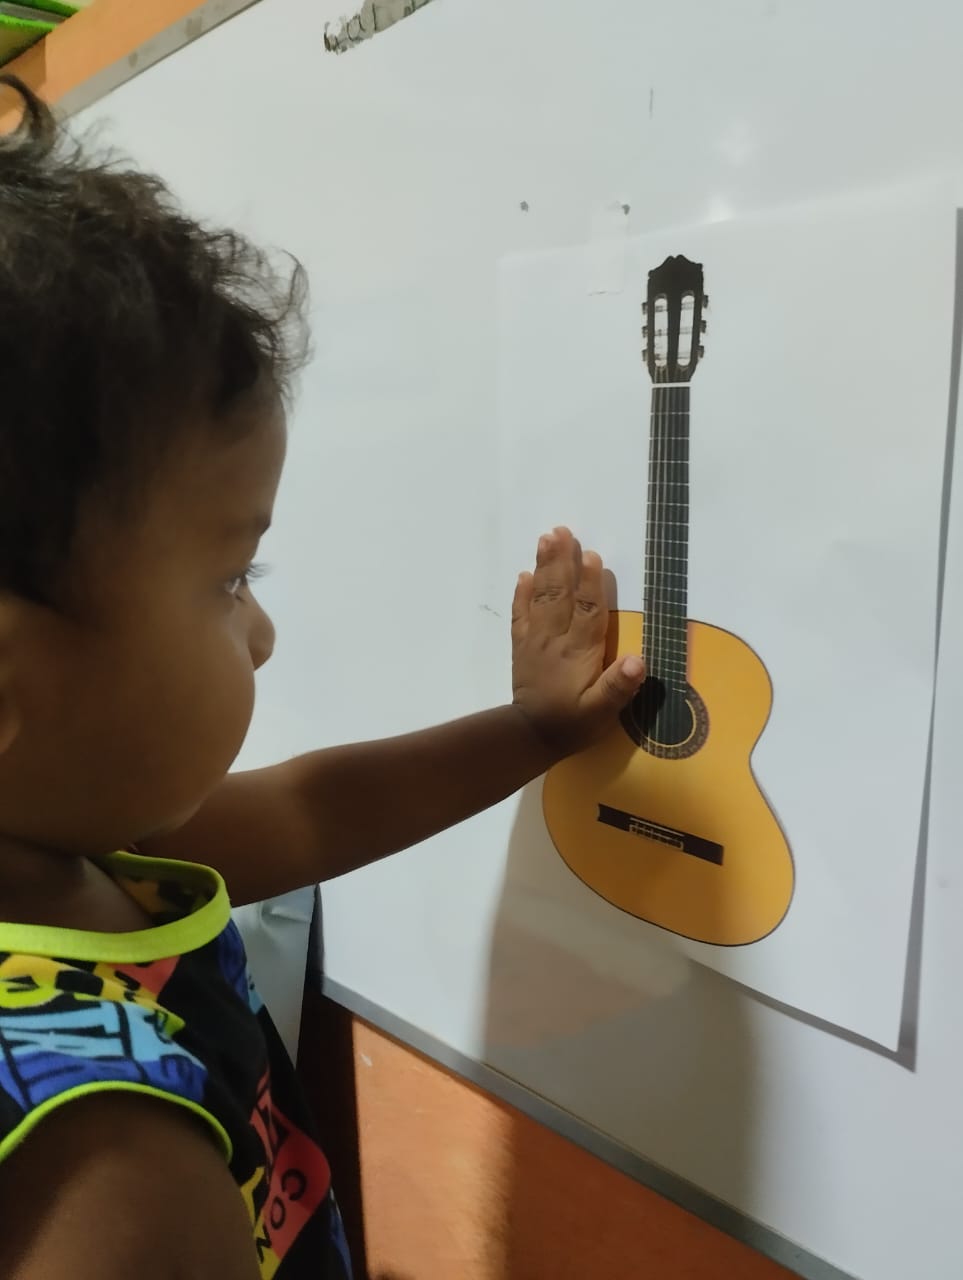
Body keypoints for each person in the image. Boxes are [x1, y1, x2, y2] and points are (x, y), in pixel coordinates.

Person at [0, 73, 645, 1279]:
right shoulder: (111, 1167)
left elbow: (316, 807)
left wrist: (533, 731)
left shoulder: (76, 852)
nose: (262, 634)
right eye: (230, 578)